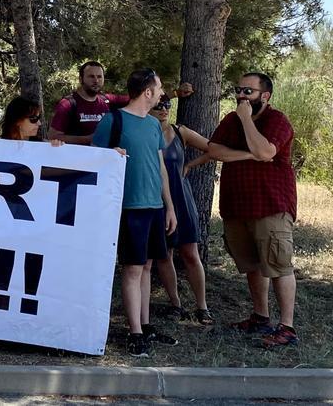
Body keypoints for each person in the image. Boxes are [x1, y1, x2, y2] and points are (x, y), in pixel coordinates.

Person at [205, 72, 298, 349]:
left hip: (270, 205)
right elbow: (213, 150)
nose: (241, 96)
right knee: (252, 265)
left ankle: (287, 327)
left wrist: (246, 119)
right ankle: (261, 317)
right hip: (237, 206)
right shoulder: (230, 120)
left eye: (248, 91)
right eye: (239, 90)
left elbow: (266, 151)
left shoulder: (276, 120)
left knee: (279, 265)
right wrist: (248, 153)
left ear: (265, 96)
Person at [91, 68, 178, 357]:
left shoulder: (154, 126)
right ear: (148, 92)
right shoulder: (112, 120)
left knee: (148, 266)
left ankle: (145, 323)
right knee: (132, 268)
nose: (163, 93)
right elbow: (94, 161)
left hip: (154, 207)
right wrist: (109, 157)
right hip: (128, 208)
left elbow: (161, 168)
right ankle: (135, 333)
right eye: (160, 87)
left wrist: (169, 207)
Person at [149, 96, 214, 325]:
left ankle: (202, 307)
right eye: (158, 105)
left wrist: (189, 165)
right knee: (164, 255)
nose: (163, 109)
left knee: (190, 254)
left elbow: (212, 149)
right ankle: (175, 304)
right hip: (155, 200)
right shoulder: (144, 133)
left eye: (167, 105)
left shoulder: (180, 132)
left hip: (182, 200)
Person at [51, 61, 193, 145]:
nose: (96, 80)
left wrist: (176, 94)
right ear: (81, 79)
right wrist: (88, 139)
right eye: (91, 76)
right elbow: (53, 137)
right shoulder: (68, 104)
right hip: (73, 165)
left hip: (100, 166)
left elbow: (142, 98)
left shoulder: (106, 100)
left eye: (99, 77)